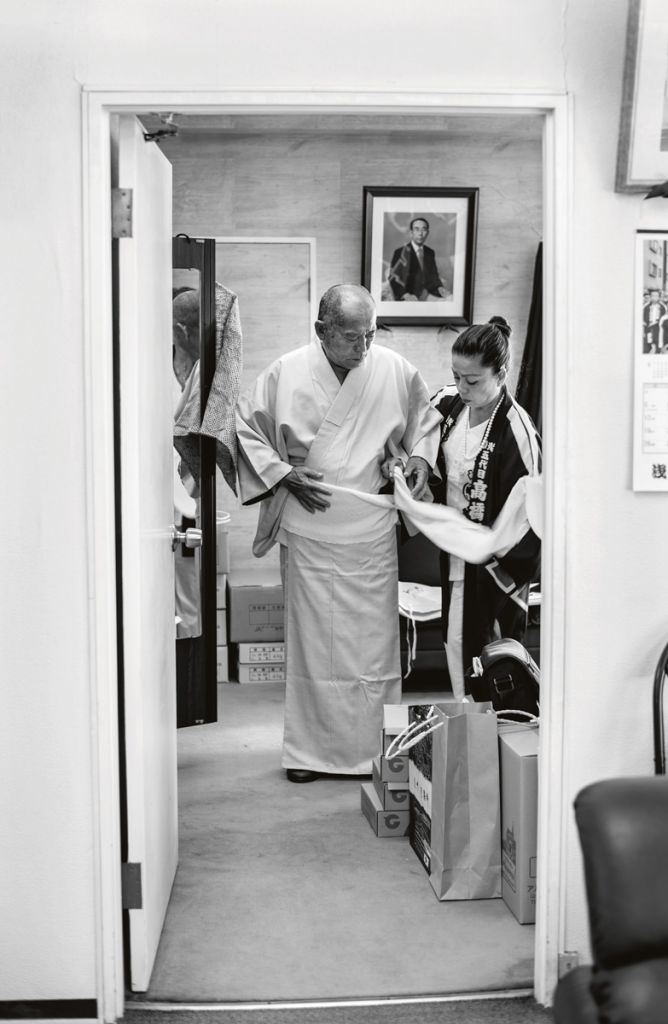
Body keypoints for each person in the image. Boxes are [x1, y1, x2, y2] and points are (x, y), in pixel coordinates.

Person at [235, 284, 442, 782]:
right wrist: (283, 474)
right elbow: (246, 429)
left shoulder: (394, 369)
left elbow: (425, 422)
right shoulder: (285, 372)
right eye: (351, 336)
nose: (363, 347)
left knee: (372, 647)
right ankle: (309, 753)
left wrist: (418, 459)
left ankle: (377, 749)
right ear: (321, 330)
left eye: (370, 334)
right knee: (313, 645)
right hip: (310, 525)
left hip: (368, 525)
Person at [431, 316, 541, 700]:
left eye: (472, 380)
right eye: (456, 375)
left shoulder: (518, 432)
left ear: (502, 373)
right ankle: (469, 740)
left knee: (492, 662)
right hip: (455, 554)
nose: (461, 387)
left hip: (494, 569)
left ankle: (500, 747)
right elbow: (423, 436)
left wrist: (488, 551)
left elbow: (530, 517)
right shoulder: (450, 405)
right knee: (456, 648)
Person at [388, 217, 449, 301]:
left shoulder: (430, 252)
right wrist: (405, 295)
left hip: (427, 295)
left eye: (423, 230)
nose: (420, 233)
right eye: (417, 229)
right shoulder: (401, 252)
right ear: (411, 233)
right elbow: (393, 279)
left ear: (427, 233)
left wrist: (439, 288)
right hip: (408, 297)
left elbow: (434, 276)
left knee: (448, 301)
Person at [643, 288, 667, 353]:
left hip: (658, 329)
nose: (654, 298)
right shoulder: (645, 307)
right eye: (653, 296)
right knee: (646, 347)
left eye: (656, 296)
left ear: (659, 297)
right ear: (650, 297)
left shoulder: (663, 307)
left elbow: (664, 319)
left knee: (658, 347)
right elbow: (642, 318)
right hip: (648, 328)